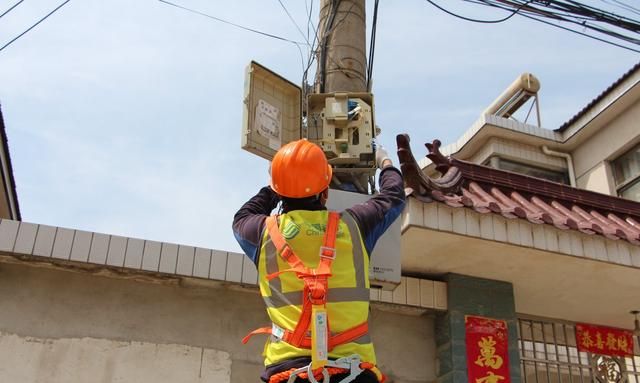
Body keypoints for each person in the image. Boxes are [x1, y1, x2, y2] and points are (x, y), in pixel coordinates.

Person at [232, 139, 405, 383]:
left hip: (288, 374)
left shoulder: (262, 233)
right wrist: (384, 162)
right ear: (325, 193)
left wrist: (278, 184)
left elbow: (243, 215)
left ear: (279, 192)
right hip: (353, 373)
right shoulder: (355, 226)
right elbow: (394, 196)